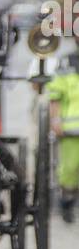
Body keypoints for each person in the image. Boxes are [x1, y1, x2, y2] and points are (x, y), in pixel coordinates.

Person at [48, 48, 79, 223]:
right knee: (69, 170)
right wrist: (56, 120)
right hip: (71, 130)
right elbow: (55, 95)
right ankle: (67, 201)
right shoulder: (67, 62)